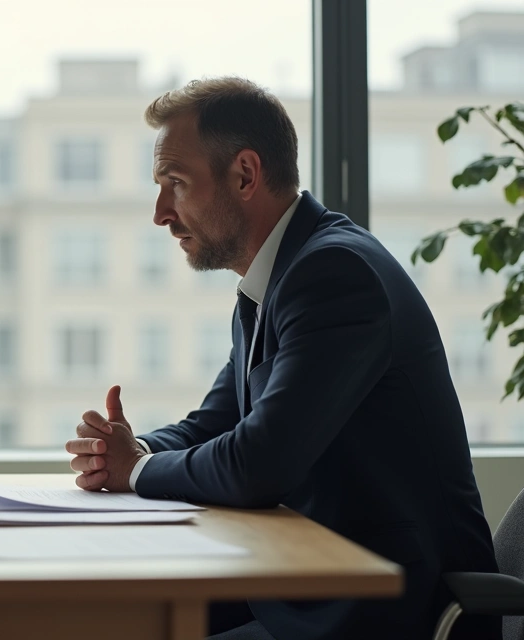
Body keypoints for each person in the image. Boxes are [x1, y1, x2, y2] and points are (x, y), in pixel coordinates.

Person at [64, 77, 499, 640]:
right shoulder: (272, 281)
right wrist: (128, 449)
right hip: (304, 588)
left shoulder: (336, 275)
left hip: (389, 611)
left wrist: (136, 470)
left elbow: (257, 462)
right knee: (117, 620)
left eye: (176, 183)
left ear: (245, 174)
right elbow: (216, 423)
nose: (160, 212)